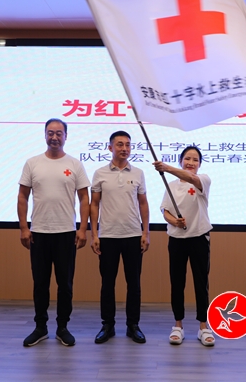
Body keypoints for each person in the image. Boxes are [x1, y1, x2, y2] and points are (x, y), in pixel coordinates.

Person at [18, 118, 90, 347]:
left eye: (59, 133)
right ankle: (40, 327)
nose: (55, 137)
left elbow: (84, 198)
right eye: (50, 133)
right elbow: (22, 196)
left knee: (65, 284)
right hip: (39, 233)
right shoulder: (33, 163)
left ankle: (62, 327)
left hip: (66, 233)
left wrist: (82, 228)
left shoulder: (75, 164)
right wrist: (23, 227)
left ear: (66, 136)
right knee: (40, 284)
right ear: (45, 135)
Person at [90, 131, 150, 344]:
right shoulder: (100, 173)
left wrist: (145, 232)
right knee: (107, 283)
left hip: (133, 235)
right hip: (108, 236)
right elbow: (94, 204)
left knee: (134, 283)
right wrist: (94, 234)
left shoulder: (139, 173)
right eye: (119, 144)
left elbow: (143, 203)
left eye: (127, 145)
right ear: (110, 148)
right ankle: (107, 325)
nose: (124, 148)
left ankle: (133, 326)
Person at [153, 146, 215, 347]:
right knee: (177, 282)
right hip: (177, 239)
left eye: (195, 160)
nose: (191, 162)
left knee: (201, 282)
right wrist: (175, 221)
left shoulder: (203, 180)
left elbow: (192, 179)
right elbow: (165, 211)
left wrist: (166, 168)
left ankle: (203, 326)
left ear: (200, 164)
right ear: (181, 161)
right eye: (187, 159)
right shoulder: (170, 185)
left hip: (199, 237)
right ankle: (178, 325)